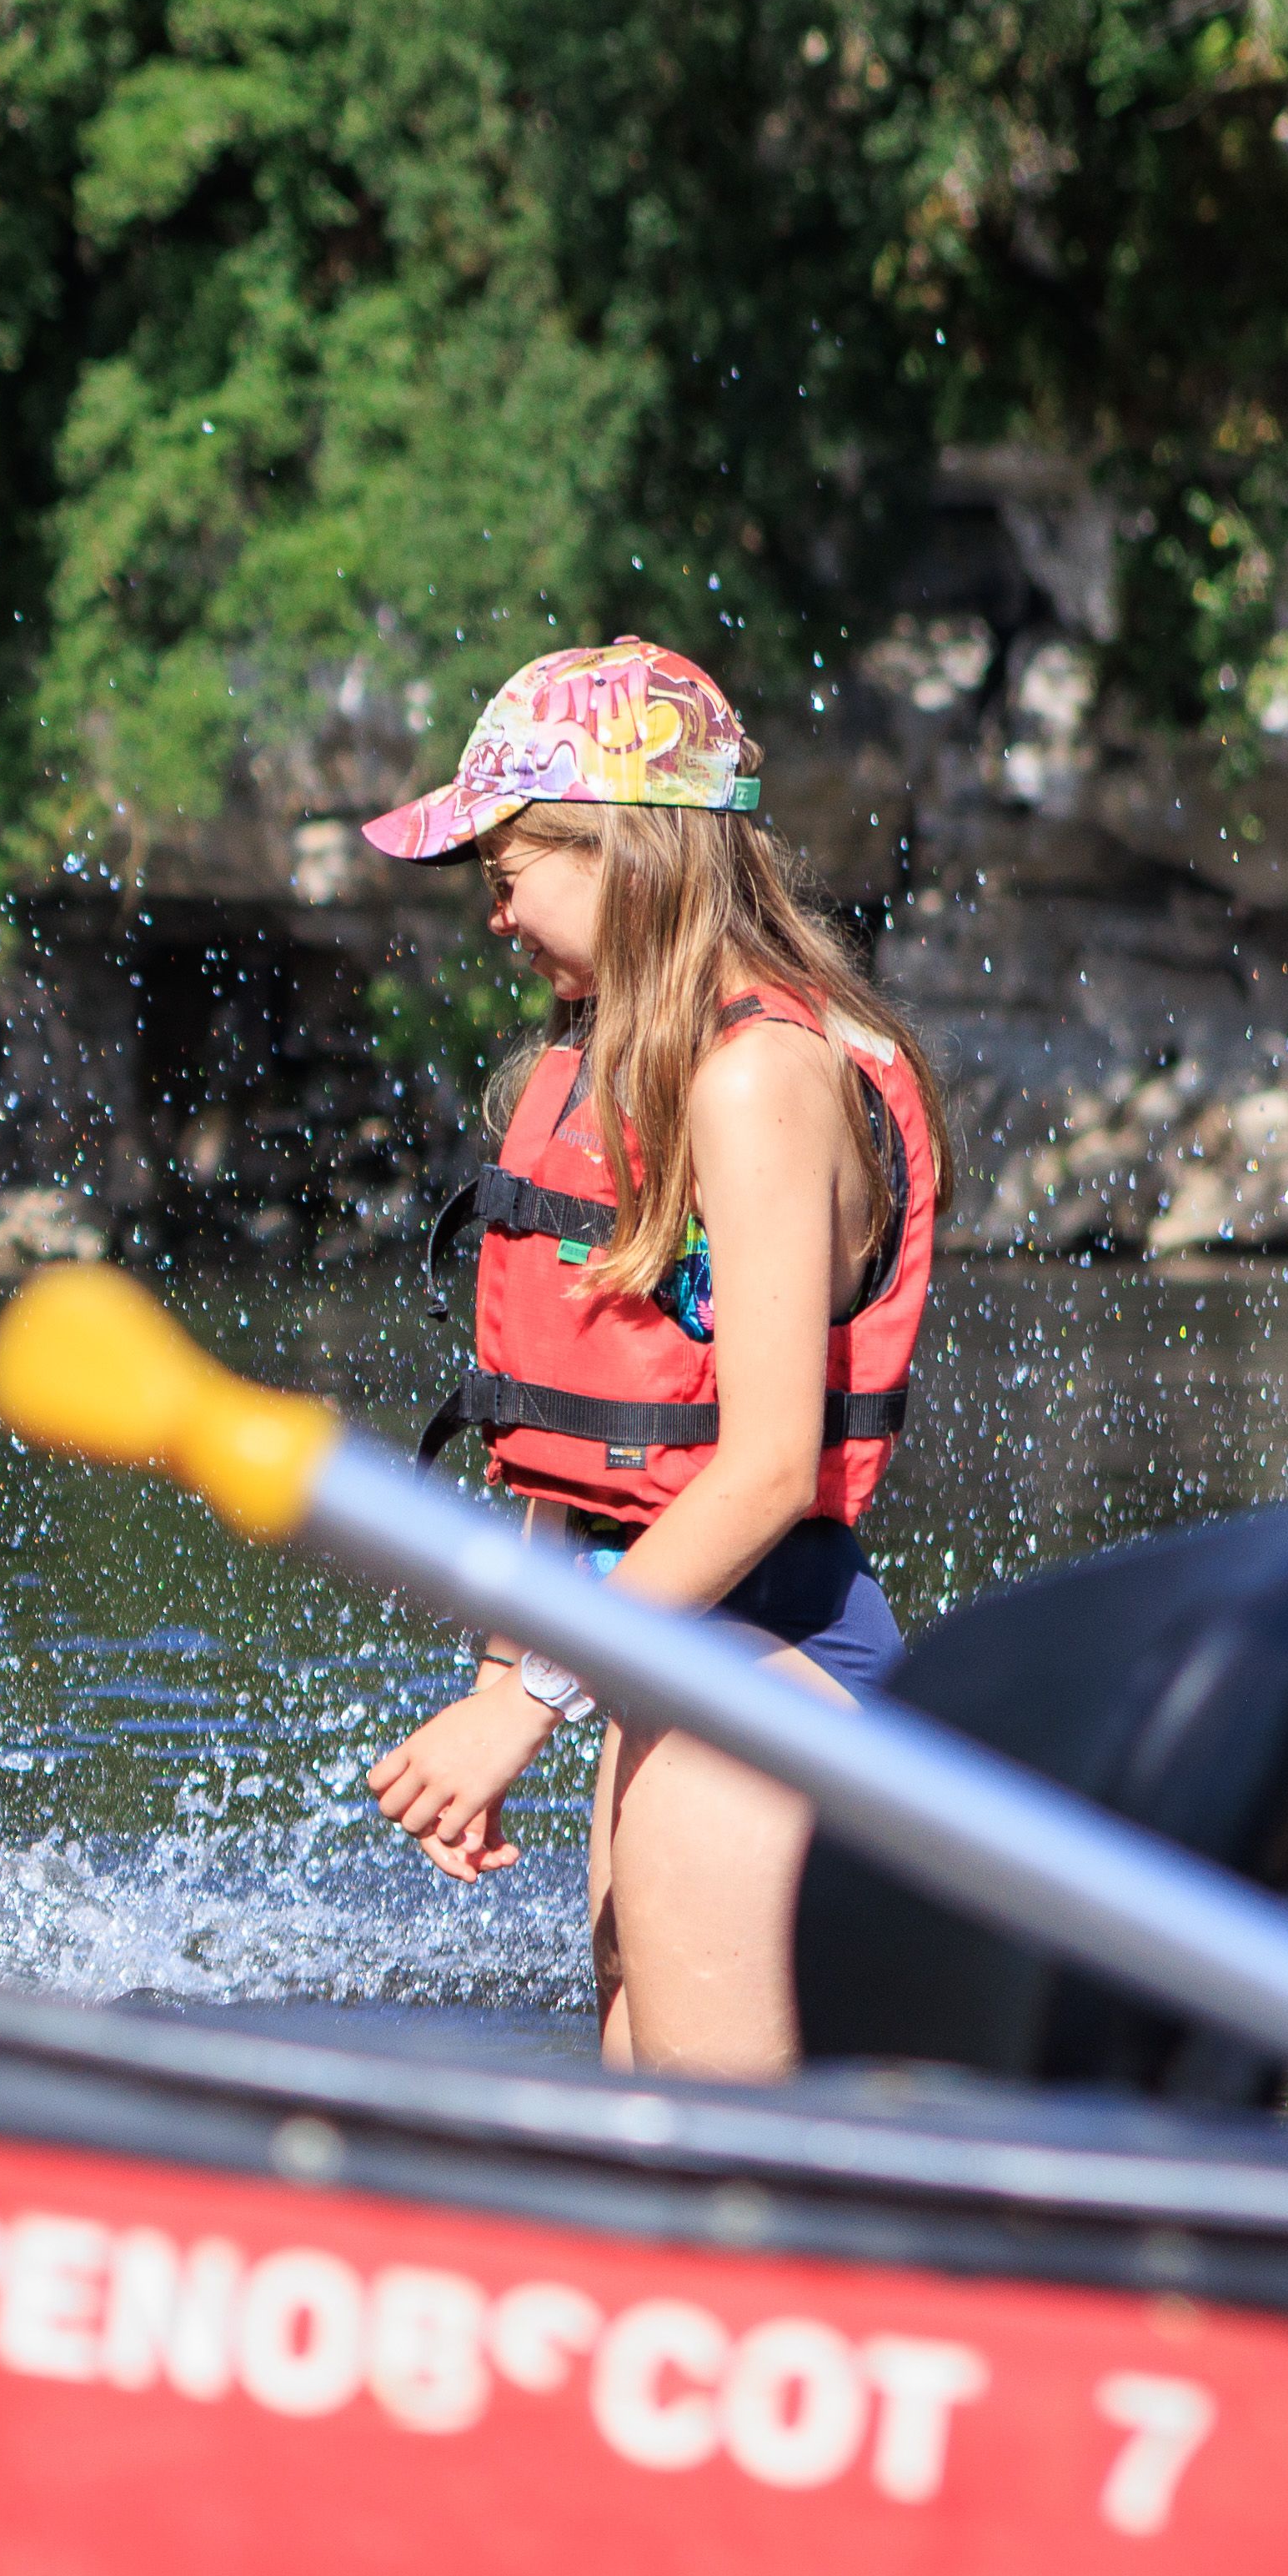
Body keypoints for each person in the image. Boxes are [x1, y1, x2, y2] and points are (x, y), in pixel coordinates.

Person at [351, 639, 947, 2075]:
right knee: (631, 2077)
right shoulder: (627, 1073)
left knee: (712, 2173)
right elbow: (580, 1459)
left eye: (506, 873)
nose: (494, 918)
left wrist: (520, 1705)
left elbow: (758, 1473)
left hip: (764, 1674)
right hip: (666, 1661)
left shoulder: (759, 1076)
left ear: (624, 848)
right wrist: (517, 1664)